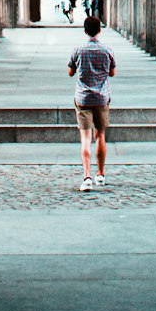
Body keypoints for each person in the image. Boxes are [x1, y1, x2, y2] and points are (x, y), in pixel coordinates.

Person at [68, 15, 116, 192]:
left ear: (85, 31)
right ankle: (101, 174)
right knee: (100, 136)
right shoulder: (107, 49)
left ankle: (87, 176)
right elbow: (112, 73)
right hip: (102, 97)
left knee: (85, 138)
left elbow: (70, 72)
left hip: (83, 98)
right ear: (99, 30)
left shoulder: (78, 49)